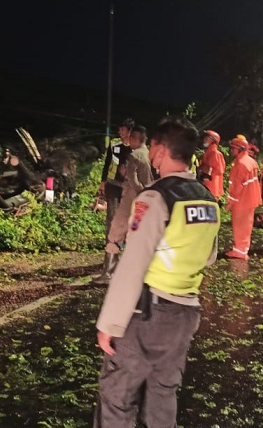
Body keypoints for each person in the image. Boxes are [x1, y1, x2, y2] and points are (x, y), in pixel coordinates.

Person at [94, 116, 220, 427]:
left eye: (152, 147)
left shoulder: (155, 197)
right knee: (163, 397)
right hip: (185, 313)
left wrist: (109, 322)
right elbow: (210, 256)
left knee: (116, 397)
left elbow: (133, 264)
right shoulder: (208, 199)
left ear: (161, 151)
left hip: (149, 313)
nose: (151, 153)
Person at [101, 125, 153, 274]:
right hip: (146, 200)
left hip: (131, 197)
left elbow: (133, 180)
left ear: (135, 139)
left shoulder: (134, 156)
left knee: (116, 230)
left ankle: (109, 272)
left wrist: (126, 174)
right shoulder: (148, 154)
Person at [93, 118, 134, 283]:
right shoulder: (114, 145)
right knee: (111, 223)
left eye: (123, 129)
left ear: (130, 131)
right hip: (113, 187)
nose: (120, 132)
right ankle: (109, 267)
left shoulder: (136, 148)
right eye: (120, 129)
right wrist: (102, 184)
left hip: (129, 190)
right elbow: (107, 164)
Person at [225, 137, 262, 259]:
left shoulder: (240, 164)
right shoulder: (251, 161)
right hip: (251, 199)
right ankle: (242, 249)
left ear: (240, 149)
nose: (232, 151)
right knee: (246, 226)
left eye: (233, 148)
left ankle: (239, 251)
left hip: (242, 200)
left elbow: (236, 186)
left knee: (239, 226)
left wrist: (230, 202)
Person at [198, 130, 224, 198]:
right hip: (205, 186)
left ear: (213, 141)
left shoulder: (216, 154)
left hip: (212, 189)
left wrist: (204, 169)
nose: (204, 140)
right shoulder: (207, 153)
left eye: (207, 138)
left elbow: (219, 171)